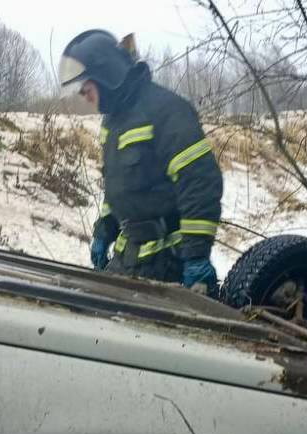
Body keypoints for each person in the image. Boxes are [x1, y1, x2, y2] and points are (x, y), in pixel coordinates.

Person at [58, 30, 223, 295]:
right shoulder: (114, 122)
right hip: (130, 255)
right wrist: (104, 231)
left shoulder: (167, 111)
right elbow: (119, 188)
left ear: (106, 77)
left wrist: (195, 257)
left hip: (170, 260)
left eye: (86, 90)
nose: (85, 98)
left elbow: (200, 182)